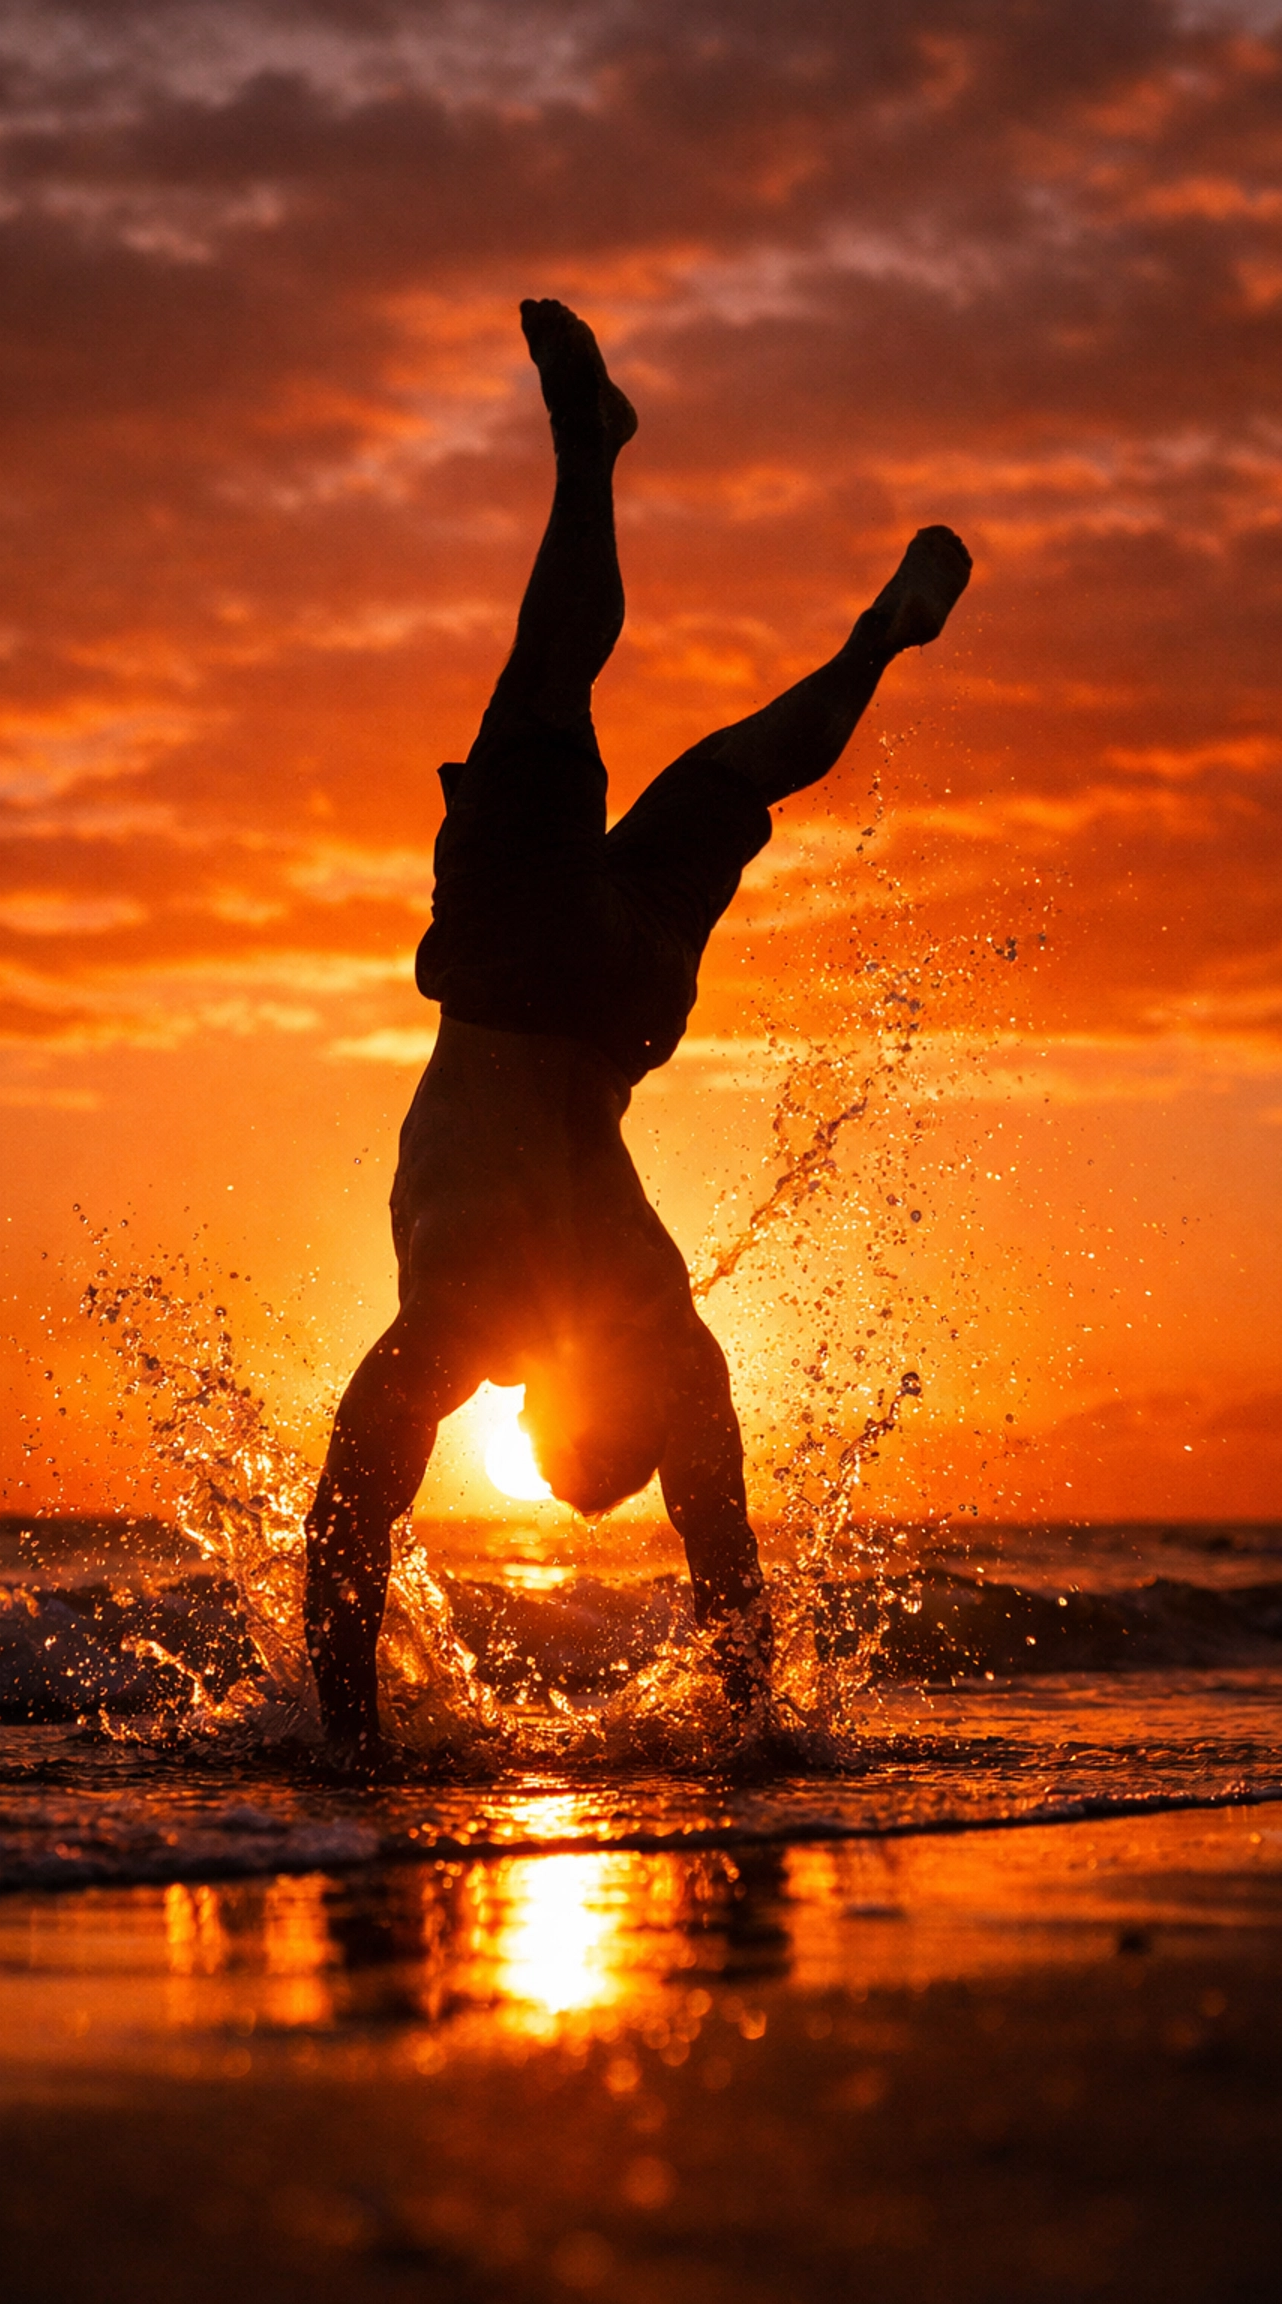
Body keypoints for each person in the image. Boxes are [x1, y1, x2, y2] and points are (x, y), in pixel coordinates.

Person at [306, 298, 970, 1763]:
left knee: (742, 772)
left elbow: (720, 1531)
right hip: (519, 963)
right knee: (551, 683)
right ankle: (588, 455)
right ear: (547, 1407)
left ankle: (878, 643)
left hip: (624, 1003)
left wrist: (760, 1720)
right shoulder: (478, 1317)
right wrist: (341, 1750)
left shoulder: (670, 1337)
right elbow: (345, 1528)